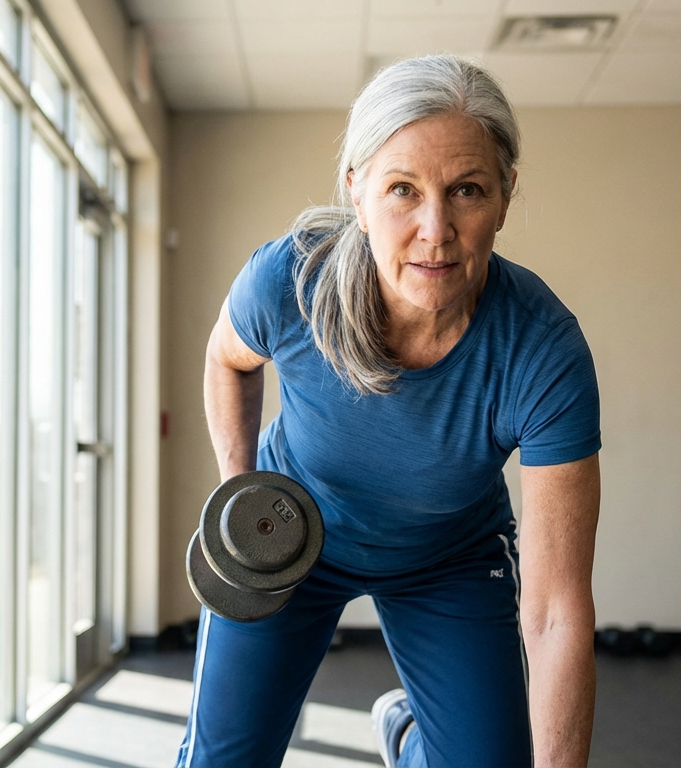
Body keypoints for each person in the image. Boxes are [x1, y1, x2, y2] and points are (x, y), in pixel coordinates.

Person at [179, 54, 601, 768]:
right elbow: (227, 359)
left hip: (450, 558)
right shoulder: (290, 282)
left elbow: (557, 613)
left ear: (504, 196)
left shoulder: (543, 349)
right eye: (402, 190)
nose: (434, 230)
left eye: (467, 190)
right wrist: (242, 498)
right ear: (358, 193)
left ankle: (410, 738)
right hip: (293, 541)